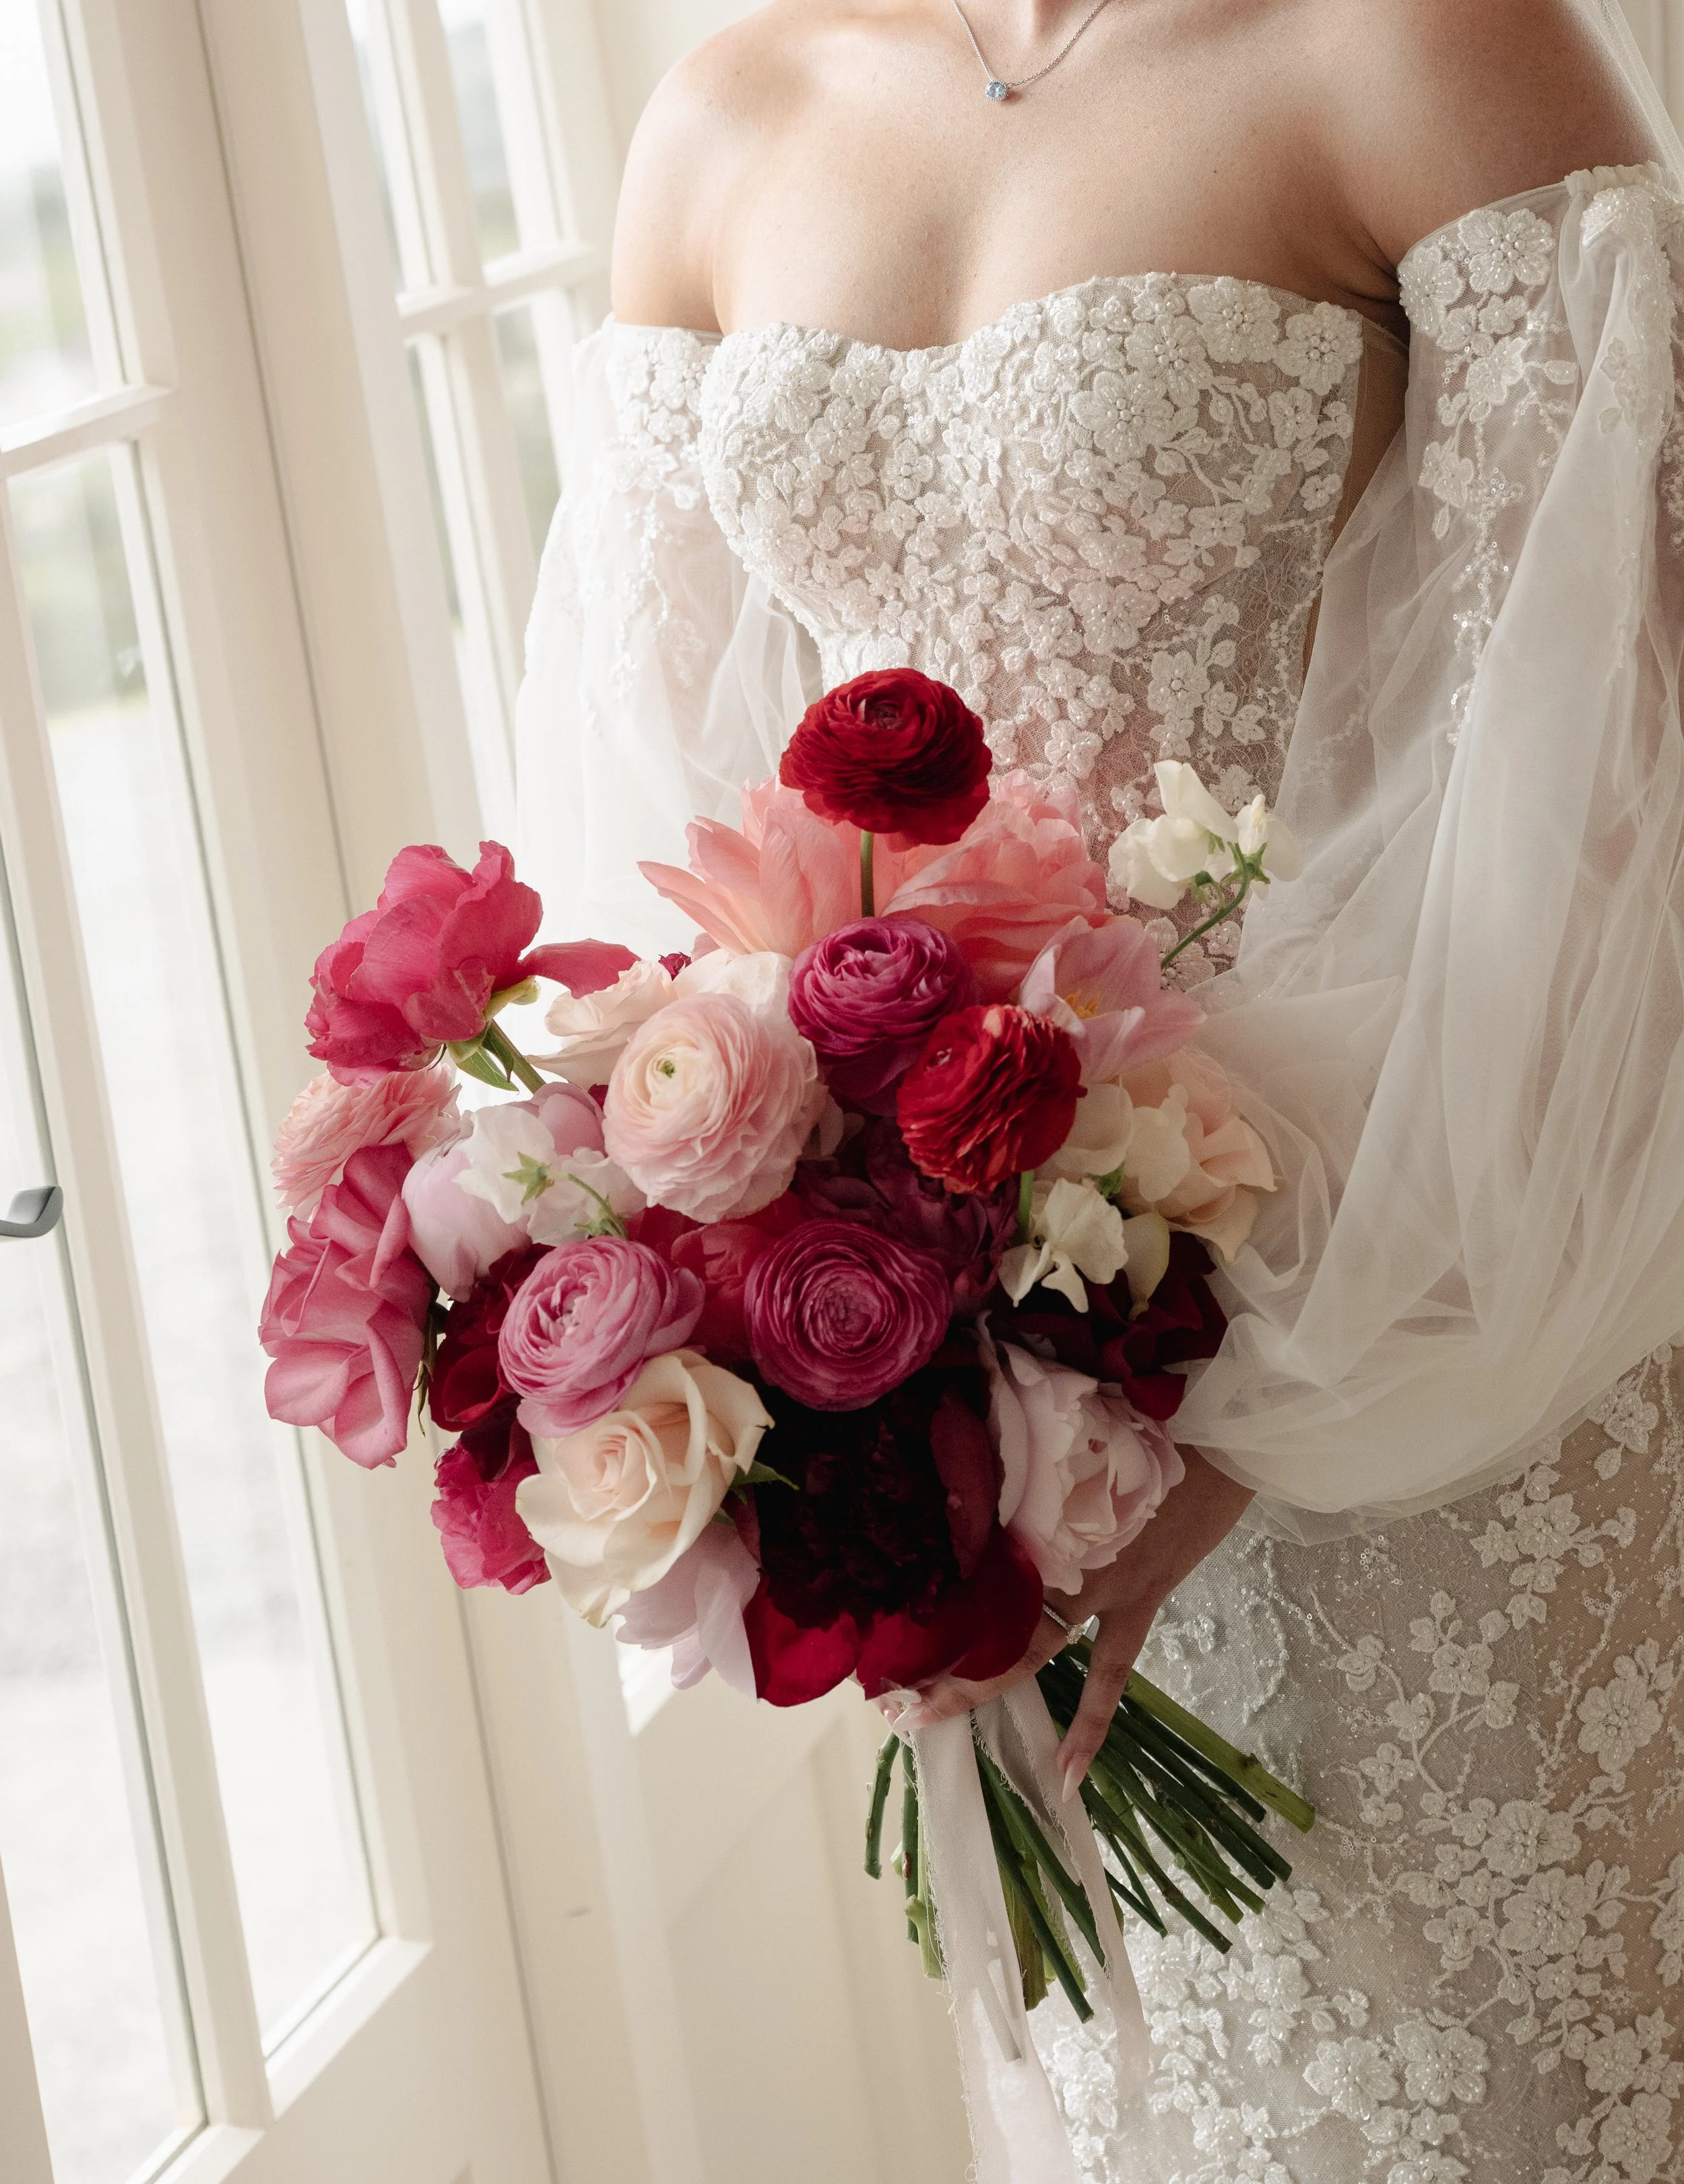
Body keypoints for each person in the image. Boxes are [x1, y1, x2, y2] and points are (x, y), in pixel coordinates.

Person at [518, 3, 1684, 2173]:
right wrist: (811, 1362)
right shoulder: (728, 108)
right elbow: (661, 815)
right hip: (983, 1387)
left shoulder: (1431, 38)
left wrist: (1262, 1418)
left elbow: (1621, 776)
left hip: (1441, 1317)